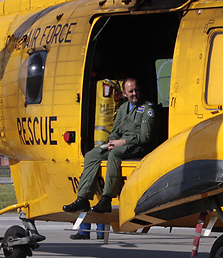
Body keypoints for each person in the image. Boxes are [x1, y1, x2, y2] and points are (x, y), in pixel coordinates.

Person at [63, 78, 157, 226]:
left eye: (136, 90)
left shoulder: (147, 109)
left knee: (115, 154)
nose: (134, 94)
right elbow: (115, 131)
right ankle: (83, 198)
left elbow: (145, 137)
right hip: (121, 144)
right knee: (92, 154)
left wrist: (122, 142)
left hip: (137, 146)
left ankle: (107, 199)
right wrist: (111, 142)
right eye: (131, 91)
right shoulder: (122, 109)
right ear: (124, 94)